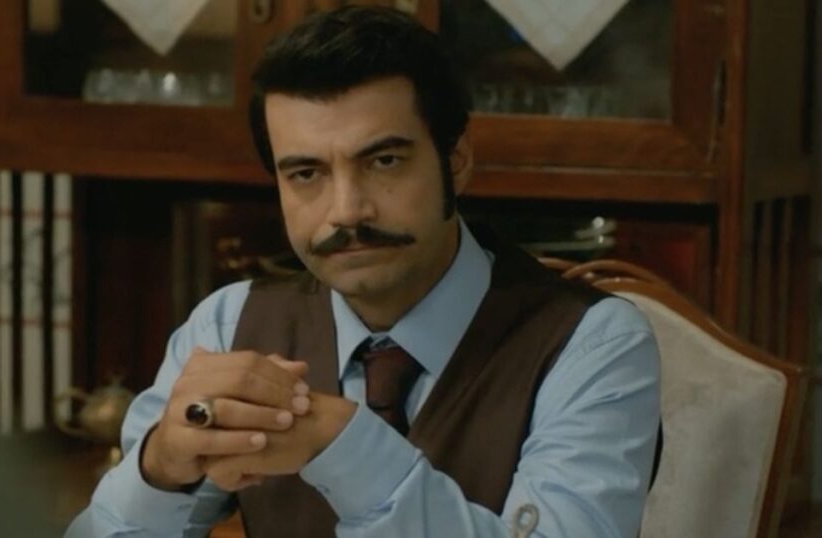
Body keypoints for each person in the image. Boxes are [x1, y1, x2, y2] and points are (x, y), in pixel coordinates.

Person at [67, 6, 660, 537]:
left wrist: (346, 448)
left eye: (384, 161)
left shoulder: (591, 344)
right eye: (306, 174)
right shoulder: (228, 325)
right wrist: (159, 469)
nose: (347, 211)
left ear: (456, 161)